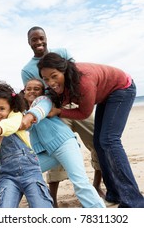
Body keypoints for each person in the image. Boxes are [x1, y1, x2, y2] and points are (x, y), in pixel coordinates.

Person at [37, 52, 144, 208]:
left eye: (54, 76)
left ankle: (134, 202)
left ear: (64, 70)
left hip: (122, 89)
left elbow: (84, 113)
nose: (51, 82)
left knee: (109, 141)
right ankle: (114, 193)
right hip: (106, 94)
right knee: (99, 142)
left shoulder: (83, 81)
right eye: (46, 79)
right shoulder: (61, 84)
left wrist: (59, 111)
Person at [21, 26, 105, 206]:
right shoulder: (27, 69)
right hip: (52, 110)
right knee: (56, 147)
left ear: (46, 37)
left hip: (75, 104)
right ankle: (52, 198)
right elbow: (35, 97)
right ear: (29, 43)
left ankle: (97, 185)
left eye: (41, 38)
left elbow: (76, 76)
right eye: (34, 40)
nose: (38, 42)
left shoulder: (62, 52)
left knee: (96, 141)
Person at [19, 78, 105, 208]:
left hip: (64, 144)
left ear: (43, 92)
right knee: (22, 172)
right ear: (24, 92)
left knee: (80, 183)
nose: (32, 91)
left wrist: (29, 117)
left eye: (36, 89)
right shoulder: (22, 112)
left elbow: (40, 110)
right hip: (46, 152)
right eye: (28, 89)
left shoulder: (44, 101)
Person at [0, 80, 53, 208]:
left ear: (11, 108)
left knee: (42, 206)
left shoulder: (16, 117)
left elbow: (10, 126)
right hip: (7, 177)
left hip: (31, 173)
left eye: (1, 108)